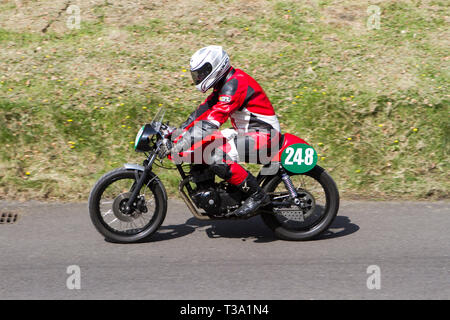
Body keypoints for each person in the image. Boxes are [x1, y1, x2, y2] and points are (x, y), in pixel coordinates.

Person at [167, 45, 281, 217]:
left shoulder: (234, 85)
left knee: (213, 155)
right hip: (248, 132)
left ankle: (257, 195)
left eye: (201, 73)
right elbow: (202, 111)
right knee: (200, 149)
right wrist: (179, 131)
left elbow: (212, 122)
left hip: (264, 135)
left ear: (215, 67)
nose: (198, 78)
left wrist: (184, 141)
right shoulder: (225, 83)